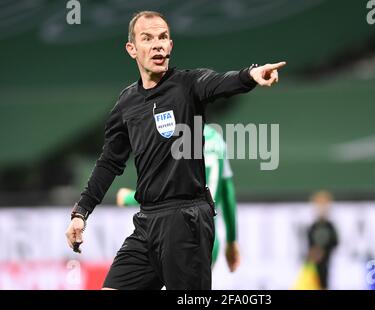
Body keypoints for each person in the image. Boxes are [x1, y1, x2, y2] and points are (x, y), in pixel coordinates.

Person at [64, 10, 285, 290]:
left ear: (170, 46)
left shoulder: (188, 85)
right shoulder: (126, 103)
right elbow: (109, 162)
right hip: (146, 224)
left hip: (187, 220)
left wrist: (251, 75)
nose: (157, 44)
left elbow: (221, 82)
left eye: (163, 37)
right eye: (147, 38)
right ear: (132, 49)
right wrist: (81, 213)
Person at [116, 124, 240, 272]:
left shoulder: (174, 138)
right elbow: (227, 192)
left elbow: (164, 189)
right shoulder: (217, 139)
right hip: (208, 237)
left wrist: (128, 198)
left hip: (176, 234)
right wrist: (232, 241)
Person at [306, 190, 339, 289]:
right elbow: (310, 243)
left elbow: (335, 242)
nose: (321, 208)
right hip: (314, 266)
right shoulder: (313, 227)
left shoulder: (330, 226)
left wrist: (325, 251)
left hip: (327, 263)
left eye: (324, 205)